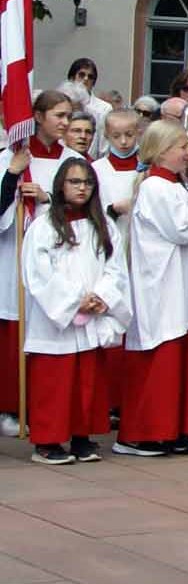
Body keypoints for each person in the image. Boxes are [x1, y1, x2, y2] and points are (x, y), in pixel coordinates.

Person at [115, 121, 188, 457]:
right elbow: (180, 227)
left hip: (179, 283)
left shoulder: (174, 185)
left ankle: (174, 427)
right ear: (163, 150)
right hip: (161, 286)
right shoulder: (154, 187)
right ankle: (143, 433)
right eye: (182, 147)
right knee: (160, 357)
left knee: (180, 355)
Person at [22, 159, 128, 464]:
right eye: (74, 182)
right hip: (58, 320)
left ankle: (82, 437)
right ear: (60, 185)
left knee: (88, 384)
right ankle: (47, 442)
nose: (82, 188)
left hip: (93, 313)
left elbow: (116, 267)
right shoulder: (44, 226)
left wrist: (102, 296)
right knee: (54, 384)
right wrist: (74, 301)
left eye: (87, 183)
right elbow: (39, 274)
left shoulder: (103, 225)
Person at [0, 91, 86, 435]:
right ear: (37, 116)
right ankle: (11, 405)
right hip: (15, 253)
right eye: (59, 115)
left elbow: (86, 205)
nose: (66, 122)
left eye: (69, 116)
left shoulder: (72, 160)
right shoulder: (12, 156)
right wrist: (12, 175)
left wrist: (49, 197)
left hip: (59, 255)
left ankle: (44, 405)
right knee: (16, 325)